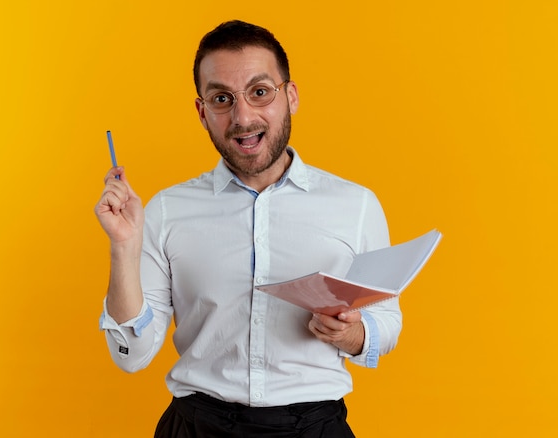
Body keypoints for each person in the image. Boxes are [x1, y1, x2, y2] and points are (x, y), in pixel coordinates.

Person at [95, 20, 402, 437]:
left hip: (314, 427)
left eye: (260, 92)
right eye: (222, 98)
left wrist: (354, 334)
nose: (242, 116)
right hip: (197, 426)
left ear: (290, 97)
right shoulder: (166, 210)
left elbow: (386, 322)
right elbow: (131, 355)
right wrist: (123, 249)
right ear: (203, 112)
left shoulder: (357, 206)